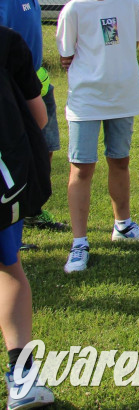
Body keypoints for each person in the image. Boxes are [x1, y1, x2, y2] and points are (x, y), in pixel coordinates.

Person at [56, 0, 139, 274]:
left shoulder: (129, 2)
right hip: (87, 101)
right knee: (81, 168)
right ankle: (79, 243)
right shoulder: (74, 9)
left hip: (123, 97)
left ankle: (123, 225)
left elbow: (133, 44)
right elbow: (66, 56)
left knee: (120, 161)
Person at [0, 25, 54, 409]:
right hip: (3, 176)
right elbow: (37, 115)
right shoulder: (7, 41)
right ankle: (21, 380)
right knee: (8, 267)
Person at [0, 0, 65, 235]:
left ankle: (33, 208)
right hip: (14, 90)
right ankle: (12, 218)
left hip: (38, 84)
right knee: (17, 152)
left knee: (42, 149)